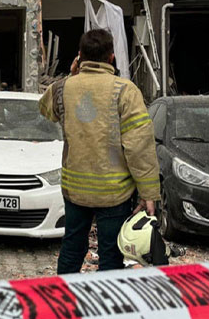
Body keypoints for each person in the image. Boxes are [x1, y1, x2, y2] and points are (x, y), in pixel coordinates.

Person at [39, 29, 160, 275]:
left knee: (72, 247)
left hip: (75, 190)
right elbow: (140, 147)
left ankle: (65, 302)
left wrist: (71, 76)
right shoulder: (125, 91)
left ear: (80, 55)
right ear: (111, 58)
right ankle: (105, 307)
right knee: (110, 254)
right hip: (114, 192)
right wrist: (149, 193)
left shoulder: (62, 88)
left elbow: (45, 109)